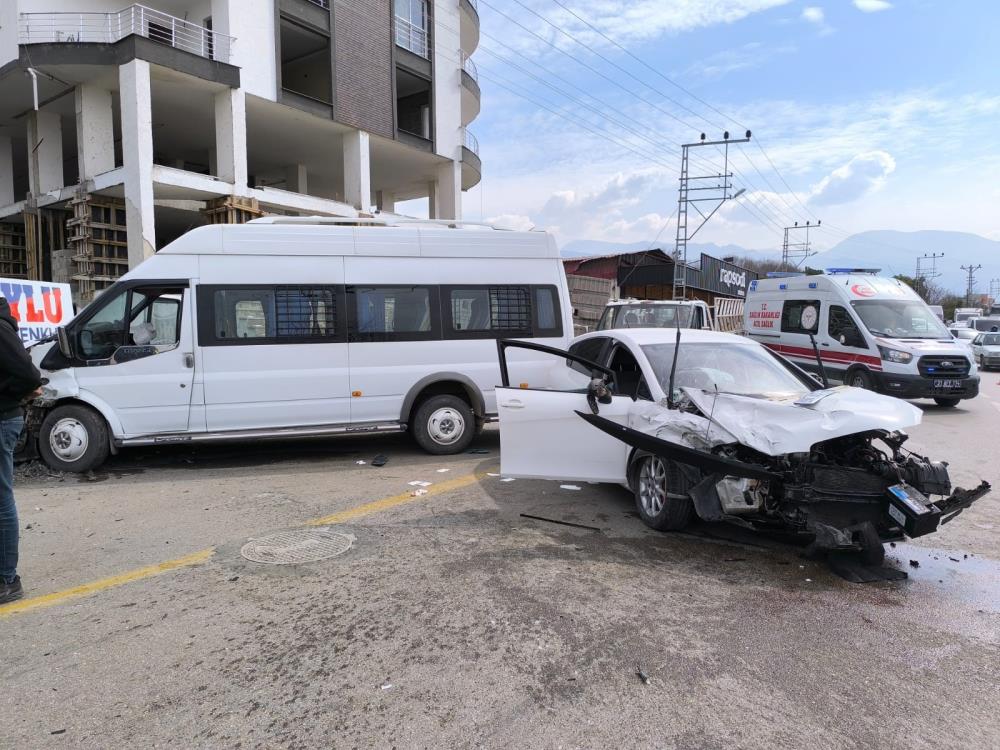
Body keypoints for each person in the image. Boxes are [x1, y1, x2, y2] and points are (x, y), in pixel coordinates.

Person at [0, 295, 43, 604]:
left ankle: (7, 580)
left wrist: (10, 392)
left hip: (2, 419)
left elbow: (28, 376)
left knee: (1, 500)